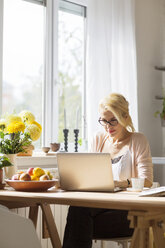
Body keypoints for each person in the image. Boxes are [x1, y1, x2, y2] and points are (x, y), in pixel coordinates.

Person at [62, 93, 153, 248]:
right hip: (99, 206)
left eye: (113, 121)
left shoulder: (138, 140)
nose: (108, 127)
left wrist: (121, 183)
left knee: (79, 217)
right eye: (104, 121)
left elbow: (148, 181)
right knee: (78, 209)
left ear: (125, 117)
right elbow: (89, 174)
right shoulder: (98, 138)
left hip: (128, 210)